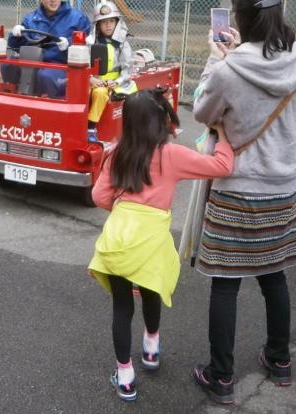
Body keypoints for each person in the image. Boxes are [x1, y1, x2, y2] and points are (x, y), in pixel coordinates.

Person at [191, 0, 296, 406]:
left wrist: (214, 59)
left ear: (240, 18)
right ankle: (279, 359)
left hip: (237, 187)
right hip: (282, 187)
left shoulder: (228, 68)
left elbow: (203, 111)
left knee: (225, 283)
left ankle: (221, 377)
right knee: (273, 274)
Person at [88, 89, 234, 403]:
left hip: (119, 237)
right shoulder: (171, 154)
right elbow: (222, 167)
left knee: (122, 306)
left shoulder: (117, 152)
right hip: (151, 238)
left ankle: (125, 376)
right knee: (151, 289)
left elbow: (99, 197)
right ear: (160, 120)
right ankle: (151, 347)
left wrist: (125, 207)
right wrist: (221, 134)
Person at [7, 0, 91, 97]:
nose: (53, 0)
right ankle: (13, 98)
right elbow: (16, 47)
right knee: (8, 65)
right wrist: (15, 35)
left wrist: (69, 42)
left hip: (63, 66)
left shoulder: (78, 18)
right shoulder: (30, 19)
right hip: (34, 63)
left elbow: (88, 41)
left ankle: (53, 105)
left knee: (45, 76)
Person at [86, 0, 137, 142]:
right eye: (104, 22)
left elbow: (127, 68)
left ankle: (91, 127)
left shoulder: (122, 44)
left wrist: (117, 81)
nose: (108, 25)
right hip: (93, 80)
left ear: (117, 23)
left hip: (115, 83)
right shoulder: (90, 42)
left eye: (111, 21)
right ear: (98, 25)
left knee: (100, 93)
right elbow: (83, 64)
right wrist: (90, 78)